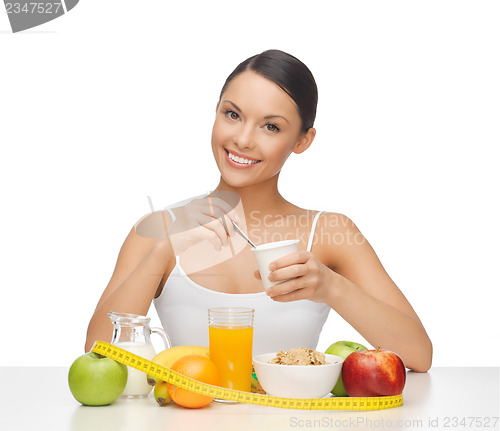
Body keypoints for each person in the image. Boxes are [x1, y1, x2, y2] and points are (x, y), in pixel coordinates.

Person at [85, 49, 432, 372]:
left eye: (271, 126)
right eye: (232, 114)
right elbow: (94, 355)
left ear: (302, 141)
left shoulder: (329, 233)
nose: (243, 139)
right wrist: (162, 251)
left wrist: (331, 287)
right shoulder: (159, 227)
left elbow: (418, 356)